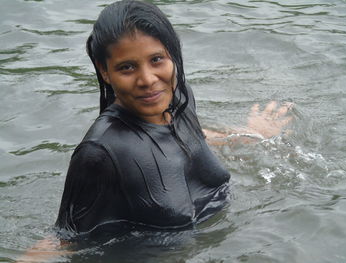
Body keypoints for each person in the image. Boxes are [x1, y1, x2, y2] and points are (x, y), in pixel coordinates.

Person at [17, 0, 292, 261]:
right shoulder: (100, 153)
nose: (148, 80)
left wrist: (248, 135)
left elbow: (188, 139)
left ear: (172, 54)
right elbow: (63, 240)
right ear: (105, 71)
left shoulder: (177, 98)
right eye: (127, 67)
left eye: (157, 60)